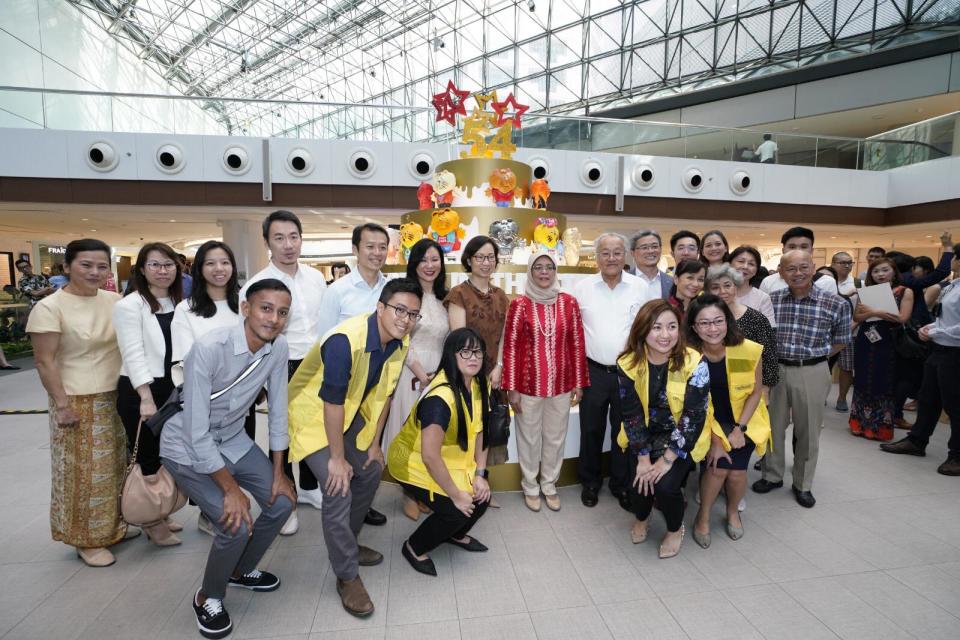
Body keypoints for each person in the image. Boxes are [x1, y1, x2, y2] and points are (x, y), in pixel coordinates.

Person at [160, 279, 296, 640]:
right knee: (235, 522)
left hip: (234, 440)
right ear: (246, 308)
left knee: (282, 502)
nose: (274, 318)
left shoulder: (277, 349)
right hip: (186, 448)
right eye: (266, 308)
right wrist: (231, 488)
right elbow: (196, 430)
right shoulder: (209, 348)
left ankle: (240, 570)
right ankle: (209, 595)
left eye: (282, 312)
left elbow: (280, 412)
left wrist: (280, 473)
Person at [288, 278, 421, 618]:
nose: (405, 319)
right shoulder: (344, 341)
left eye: (413, 314)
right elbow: (330, 403)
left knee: (371, 469)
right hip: (314, 414)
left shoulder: (399, 342)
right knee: (339, 485)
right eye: (399, 310)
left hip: (349, 414)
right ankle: (347, 576)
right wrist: (336, 458)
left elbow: (386, 395)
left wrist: (374, 444)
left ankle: (347, 541)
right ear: (380, 307)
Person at [27, 239, 131, 567]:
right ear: (68, 266)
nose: (94, 272)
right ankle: (84, 538)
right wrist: (61, 404)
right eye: (86, 265)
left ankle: (113, 526)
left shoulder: (116, 301)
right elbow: (45, 362)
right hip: (76, 399)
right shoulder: (50, 307)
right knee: (82, 474)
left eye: (102, 266)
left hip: (116, 395)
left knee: (116, 466)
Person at [241, 210, 327, 535]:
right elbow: (251, 334)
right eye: (279, 238)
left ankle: (308, 486)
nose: (288, 245)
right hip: (280, 363)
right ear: (267, 242)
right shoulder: (256, 285)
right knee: (282, 433)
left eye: (293, 236)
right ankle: (284, 497)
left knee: (310, 428)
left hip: (316, 363)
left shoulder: (317, 278)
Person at [389, 328, 491, 576]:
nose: (473, 357)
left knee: (481, 497)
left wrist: (480, 474)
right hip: (412, 462)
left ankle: (454, 535)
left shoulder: (478, 385)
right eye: (465, 351)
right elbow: (429, 456)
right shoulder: (439, 398)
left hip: (446, 460)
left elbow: (481, 433)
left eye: (477, 351)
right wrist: (456, 494)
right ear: (451, 355)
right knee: (457, 509)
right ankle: (414, 547)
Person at [753, 251, 851, 508]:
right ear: (781, 272)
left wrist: (814, 357)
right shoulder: (771, 300)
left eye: (803, 267)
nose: (798, 273)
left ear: (814, 268)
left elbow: (841, 340)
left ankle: (802, 484)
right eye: (791, 269)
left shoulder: (835, 302)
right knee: (772, 426)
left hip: (813, 370)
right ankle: (772, 475)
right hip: (775, 370)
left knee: (808, 430)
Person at [615, 299, 710, 558]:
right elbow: (631, 414)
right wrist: (644, 458)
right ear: (643, 330)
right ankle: (642, 517)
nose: (665, 335)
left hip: (683, 435)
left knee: (666, 486)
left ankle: (673, 528)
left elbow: (694, 416)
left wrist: (667, 460)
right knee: (638, 480)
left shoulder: (694, 362)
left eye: (671, 327)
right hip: (643, 433)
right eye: (657, 328)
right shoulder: (628, 362)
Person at [315, 222, 392, 528]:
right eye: (370, 246)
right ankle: (346, 505)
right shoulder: (337, 292)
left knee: (370, 450)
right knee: (345, 450)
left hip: (375, 390)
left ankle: (364, 503)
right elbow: (323, 340)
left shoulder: (391, 288)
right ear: (355, 250)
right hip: (343, 390)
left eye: (382, 247)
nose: (377, 253)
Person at [502, 252, 588, 512]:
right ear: (530, 272)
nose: (543, 272)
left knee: (555, 438)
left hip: (561, 384)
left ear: (555, 271)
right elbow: (511, 348)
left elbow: (576, 343)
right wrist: (512, 388)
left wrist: (579, 382)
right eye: (538, 267)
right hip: (528, 386)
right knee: (528, 438)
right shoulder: (519, 305)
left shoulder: (569, 303)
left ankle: (549, 485)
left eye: (549, 267)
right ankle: (530, 486)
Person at [113, 242, 184, 546]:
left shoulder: (179, 302)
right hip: (142, 388)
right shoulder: (129, 305)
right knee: (147, 455)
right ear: (141, 269)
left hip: (172, 387)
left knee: (167, 452)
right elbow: (133, 353)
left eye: (168, 264)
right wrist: (145, 396)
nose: (162, 270)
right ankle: (150, 521)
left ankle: (161, 509)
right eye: (155, 264)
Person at [172, 241, 244, 536]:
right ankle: (209, 512)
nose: (219, 269)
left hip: (242, 398)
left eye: (224, 262)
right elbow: (185, 358)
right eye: (211, 263)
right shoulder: (186, 310)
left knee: (235, 457)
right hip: (205, 401)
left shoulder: (245, 305)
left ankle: (232, 505)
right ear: (200, 269)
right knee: (206, 457)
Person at [686, 295, 770, 547]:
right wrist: (716, 440)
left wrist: (739, 428)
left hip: (743, 420)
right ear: (693, 327)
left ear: (728, 321)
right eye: (704, 323)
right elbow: (692, 404)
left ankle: (732, 512)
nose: (712, 329)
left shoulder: (750, 349)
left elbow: (756, 391)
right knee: (718, 467)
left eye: (718, 321)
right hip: (705, 423)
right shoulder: (687, 356)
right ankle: (703, 516)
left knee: (736, 474)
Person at [574, 233, 646, 509]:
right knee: (590, 430)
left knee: (624, 431)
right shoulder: (582, 287)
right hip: (593, 371)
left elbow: (647, 327)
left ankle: (620, 484)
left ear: (626, 255)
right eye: (606, 252)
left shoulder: (639, 287)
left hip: (629, 371)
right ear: (597, 256)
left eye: (617, 252)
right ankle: (590, 483)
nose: (612, 258)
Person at [384, 239, 449, 520]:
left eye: (435, 259)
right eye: (423, 259)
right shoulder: (407, 296)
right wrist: (422, 375)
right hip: (412, 373)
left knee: (430, 436)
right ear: (414, 263)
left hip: (438, 374)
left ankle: (423, 490)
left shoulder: (445, 297)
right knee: (407, 434)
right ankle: (408, 493)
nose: (429, 265)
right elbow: (401, 338)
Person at [881, 245, 960, 475]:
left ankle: (957, 454)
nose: (952, 261)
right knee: (927, 398)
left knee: (955, 405)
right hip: (940, 348)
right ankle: (917, 440)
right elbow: (945, 319)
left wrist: (936, 332)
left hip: (955, 352)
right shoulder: (952, 286)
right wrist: (932, 328)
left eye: (954, 257)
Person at [445, 235, 511, 474]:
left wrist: (499, 366)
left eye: (491, 257)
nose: (486, 262)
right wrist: (475, 374)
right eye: (480, 257)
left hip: (494, 374)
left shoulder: (501, 295)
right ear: (469, 260)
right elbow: (459, 340)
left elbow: (505, 335)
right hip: (467, 374)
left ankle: (481, 480)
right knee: (468, 426)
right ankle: (464, 482)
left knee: (488, 426)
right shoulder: (458, 294)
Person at [848, 258, 913, 442]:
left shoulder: (904, 291)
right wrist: (873, 312)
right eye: (876, 271)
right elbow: (858, 316)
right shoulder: (867, 291)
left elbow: (902, 318)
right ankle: (858, 423)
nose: (880, 274)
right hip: (866, 339)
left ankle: (879, 427)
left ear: (894, 271)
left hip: (888, 341)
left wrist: (874, 311)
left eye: (885, 270)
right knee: (861, 379)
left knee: (883, 381)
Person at [706, 265, 778, 389]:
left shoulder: (756, 319)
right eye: (715, 287)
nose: (722, 291)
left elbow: (769, 359)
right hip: (712, 387)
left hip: (749, 390)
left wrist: (764, 390)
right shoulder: (704, 320)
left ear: (735, 286)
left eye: (727, 285)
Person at [759, 227, 837, 294]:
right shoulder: (768, 282)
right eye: (792, 247)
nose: (797, 251)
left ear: (812, 251)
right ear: (783, 250)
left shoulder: (827, 282)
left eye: (804, 247)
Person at [829, 252, 860, 412]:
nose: (847, 265)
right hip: (827, 333)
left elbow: (863, 309)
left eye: (850, 263)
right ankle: (821, 396)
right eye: (843, 262)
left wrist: (850, 327)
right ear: (833, 263)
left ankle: (842, 398)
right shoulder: (826, 281)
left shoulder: (859, 283)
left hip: (850, 332)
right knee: (824, 367)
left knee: (847, 367)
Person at [729, 246, 776, 326]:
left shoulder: (762, 298)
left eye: (751, 264)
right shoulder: (718, 293)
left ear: (756, 271)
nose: (745, 266)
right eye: (741, 261)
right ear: (729, 264)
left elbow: (769, 330)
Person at [628, 229, 672, 301]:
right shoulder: (621, 281)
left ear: (660, 249)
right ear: (632, 253)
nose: (650, 251)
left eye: (654, 247)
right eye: (644, 247)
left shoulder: (672, 282)